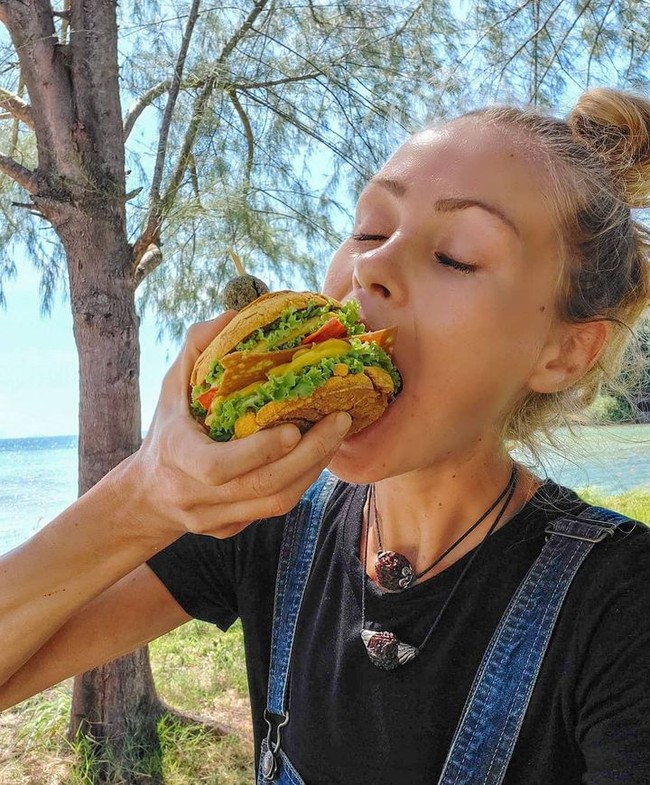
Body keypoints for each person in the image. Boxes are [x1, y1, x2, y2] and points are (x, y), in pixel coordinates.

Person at [1, 86, 649, 784]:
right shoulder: (267, 522)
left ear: (563, 352)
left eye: (457, 255)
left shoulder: (621, 605)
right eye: (369, 230)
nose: (370, 265)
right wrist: (147, 492)